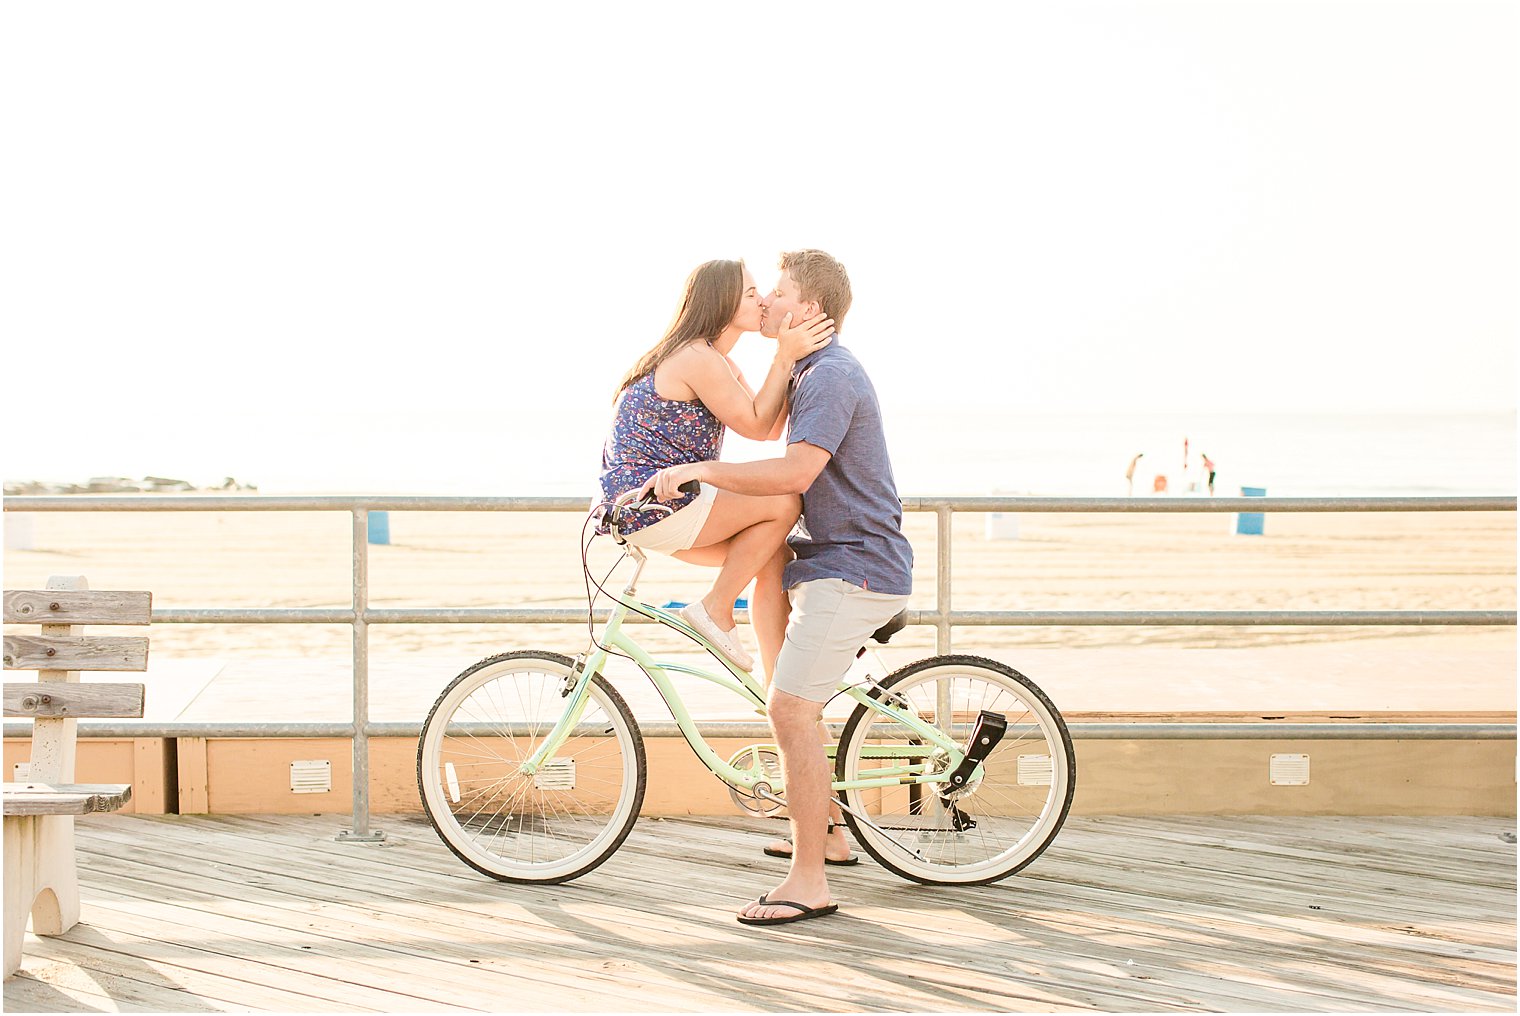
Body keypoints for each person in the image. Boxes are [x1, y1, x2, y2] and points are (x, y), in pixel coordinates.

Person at [641, 249, 913, 927]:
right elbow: (763, 428)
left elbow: (794, 474)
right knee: (789, 690)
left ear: (808, 308)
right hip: (830, 562)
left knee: (790, 712)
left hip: (856, 566)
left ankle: (809, 882)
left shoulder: (831, 376)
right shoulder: (810, 370)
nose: (764, 302)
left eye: (777, 292)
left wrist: (703, 471)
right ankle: (828, 834)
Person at [598, 259, 834, 672]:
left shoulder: (717, 361)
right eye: (750, 294)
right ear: (722, 304)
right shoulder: (695, 357)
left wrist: (790, 358)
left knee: (774, 557)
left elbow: (768, 426)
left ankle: (777, 688)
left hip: (659, 504)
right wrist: (783, 355)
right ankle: (715, 608)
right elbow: (759, 422)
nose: (762, 300)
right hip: (655, 501)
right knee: (784, 501)